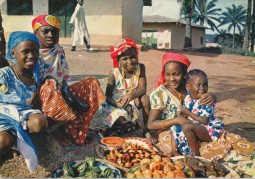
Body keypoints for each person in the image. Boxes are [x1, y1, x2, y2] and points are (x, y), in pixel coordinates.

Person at [31, 14, 106, 146]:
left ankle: (76, 131)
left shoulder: (58, 51)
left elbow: (62, 81)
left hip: (59, 95)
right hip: (40, 102)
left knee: (91, 83)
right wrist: (56, 90)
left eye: (55, 31)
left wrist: (70, 97)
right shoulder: (30, 54)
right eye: (46, 31)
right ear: (35, 32)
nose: (51, 35)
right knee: (49, 84)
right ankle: (55, 131)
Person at [147, 52, 216, 156]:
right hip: (171, 130)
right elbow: (151, 124)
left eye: (176, 74)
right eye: (167, 74)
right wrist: (177, 120)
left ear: (184, 74)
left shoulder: (190, 87)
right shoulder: (161, 94)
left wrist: (213, 97)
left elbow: (203, 94)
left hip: (192, 126)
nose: (171, 79)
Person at [0, 31, 48, 172]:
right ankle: (13, 143)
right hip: (4, 114)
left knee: (39, 122)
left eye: (35, 51)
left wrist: (51, 79)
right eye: (25, 52)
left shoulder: (37, 69)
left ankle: (20, 138)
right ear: (13, 54)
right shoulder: (5, 74)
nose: (31, 56)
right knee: (3, 141)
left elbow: (47, 76)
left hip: (24, 112)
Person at [101, 38, 151, 140]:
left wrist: (130, 96)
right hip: (117, 103)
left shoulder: (140, 68)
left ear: (137, 56)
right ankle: (126, 125)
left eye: (133, 57)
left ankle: (147, 129)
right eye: (124, 59)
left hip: (132, 100)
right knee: (120, 119)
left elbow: (142, 89)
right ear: (118, 60)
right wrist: (117, 104)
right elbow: (107, 96)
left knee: (145, 99)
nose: (130, 61)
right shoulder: (114, 73)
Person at [175, 69, 224, 156]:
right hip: (196, 127)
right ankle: (175, 150)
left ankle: (195, 153)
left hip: (209, 131)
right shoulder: (187, 99)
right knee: (176, 126)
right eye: (198, 85)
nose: (202, 88)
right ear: (188, 86)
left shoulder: (206, 100)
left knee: (187, 126)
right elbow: (186, 114)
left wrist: (188, 113)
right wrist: (182, 114)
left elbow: (204, 121)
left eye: (205, 85)